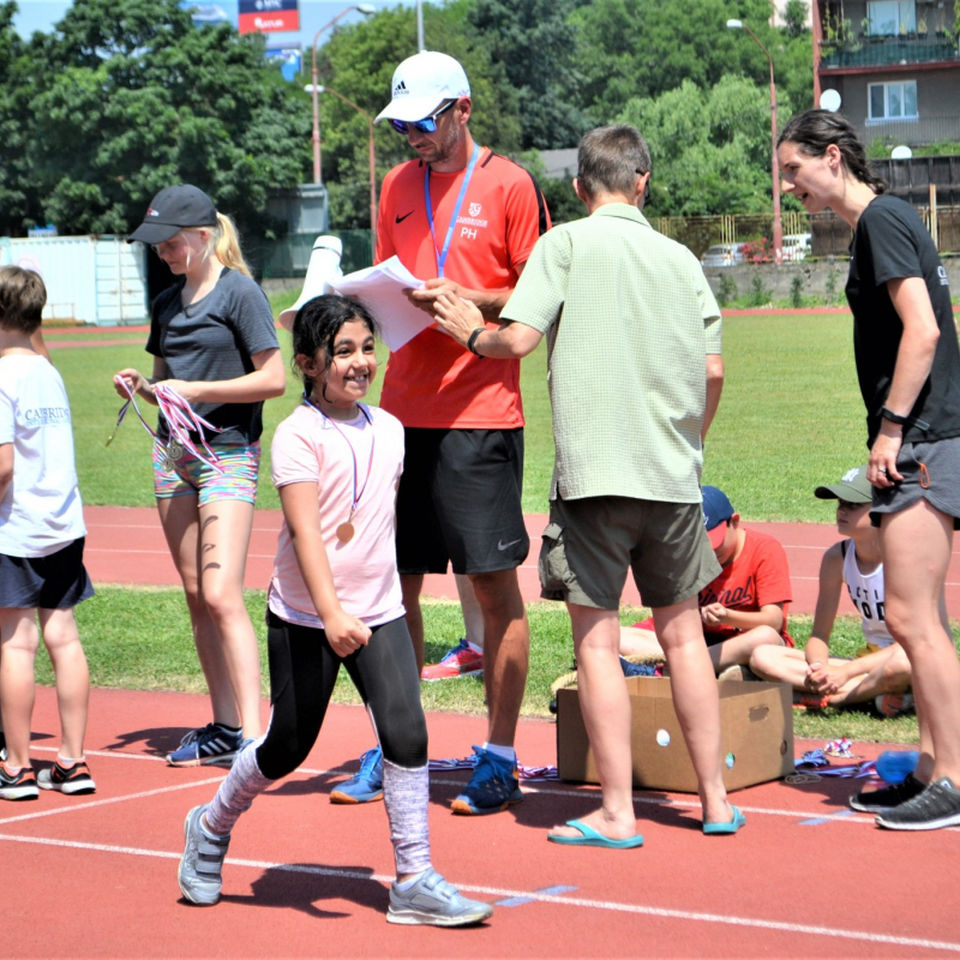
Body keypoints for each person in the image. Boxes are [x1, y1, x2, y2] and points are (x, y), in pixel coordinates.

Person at [434, 124, 743, 845]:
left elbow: (516, 338)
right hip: (671, 476)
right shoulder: (680, 257)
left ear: (578, 188)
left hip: (594, 479)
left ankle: (617, 811)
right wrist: (687, 444)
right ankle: (717, 802)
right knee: (684, 637)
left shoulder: (564, 243)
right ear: (644, 182)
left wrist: (465, 329)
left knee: (598, 645)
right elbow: (715, 369)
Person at [177, 295, 493, 927]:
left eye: (366, 348)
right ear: (309, 365)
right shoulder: (296, 437)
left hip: (378, 614)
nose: (359, 363)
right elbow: (307, 534)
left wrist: (380, 607)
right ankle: (210, 825)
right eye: (342, 352)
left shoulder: (391, 429)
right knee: (289, 746)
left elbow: (374, 523)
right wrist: (331, 615)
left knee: (408, 736)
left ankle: (412, 880)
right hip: (305, 617)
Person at [332, 50, 550, 812]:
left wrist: (473, 302)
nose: (412, 138)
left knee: (493, 593)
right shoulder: (394, 184)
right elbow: (384, 275)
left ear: (461, 108)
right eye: (402, 126)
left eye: (423, 122)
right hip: (399, 417)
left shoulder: (511, 183)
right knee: (391, 592)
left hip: (481, 416)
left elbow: (538, 291)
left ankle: (499, 754)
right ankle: (400, 749)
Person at [778, 109, 960, 830]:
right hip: (925, 437)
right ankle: (927, 768)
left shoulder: (881, 220)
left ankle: (951, 777)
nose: (788, 185)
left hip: (922, 441)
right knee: (926, 619)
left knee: (915, 617)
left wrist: (890, 431)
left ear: (831, 157)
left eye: (794, 170)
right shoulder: (884, 221)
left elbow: (924, 328)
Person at [115, 184, 285, 766]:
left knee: (220, 593)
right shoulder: (166, 305)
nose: (161, 251)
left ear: (203, 236)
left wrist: (197, 389)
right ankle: (224, 725)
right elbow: (166, 384)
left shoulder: (242, 295)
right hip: (172, 456)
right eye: (155, 243)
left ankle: (257, 736)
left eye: (169, 242)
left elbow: (274, 379)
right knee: (194, 594)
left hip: (227, 455)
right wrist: (143, 386)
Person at [0, 266, 96, 801]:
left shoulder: (1, 378)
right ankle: (72, 761)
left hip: (16, 529)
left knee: (16, 645)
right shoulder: (48, 372)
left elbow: (3, 467)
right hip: (64, 524)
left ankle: (14, 766)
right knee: (65, 638)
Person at [751, 465, 919, 714]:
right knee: (762, 656)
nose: (841, 510)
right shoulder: (836, 558)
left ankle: (834, 699)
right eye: (840, 503)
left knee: (902, 664)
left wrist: (845, 672)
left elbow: (913, 643)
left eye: (853, 504)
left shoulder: (903, 558)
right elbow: (819, 634)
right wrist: (820, 669)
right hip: (865, 664)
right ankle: (872, 695)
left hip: (905, 657)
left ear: (880, 508)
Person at [620, 485, 792, 676]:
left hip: (742, 640)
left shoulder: (764, 549)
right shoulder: (685, 553)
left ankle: (671, 671)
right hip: (694, 641)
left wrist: (727, 616)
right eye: (700, 545)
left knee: (764, 637)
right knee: (613, 636)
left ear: (734, 522)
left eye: (714, 544)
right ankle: (715, 670)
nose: (708, 553)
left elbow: (773, 622)